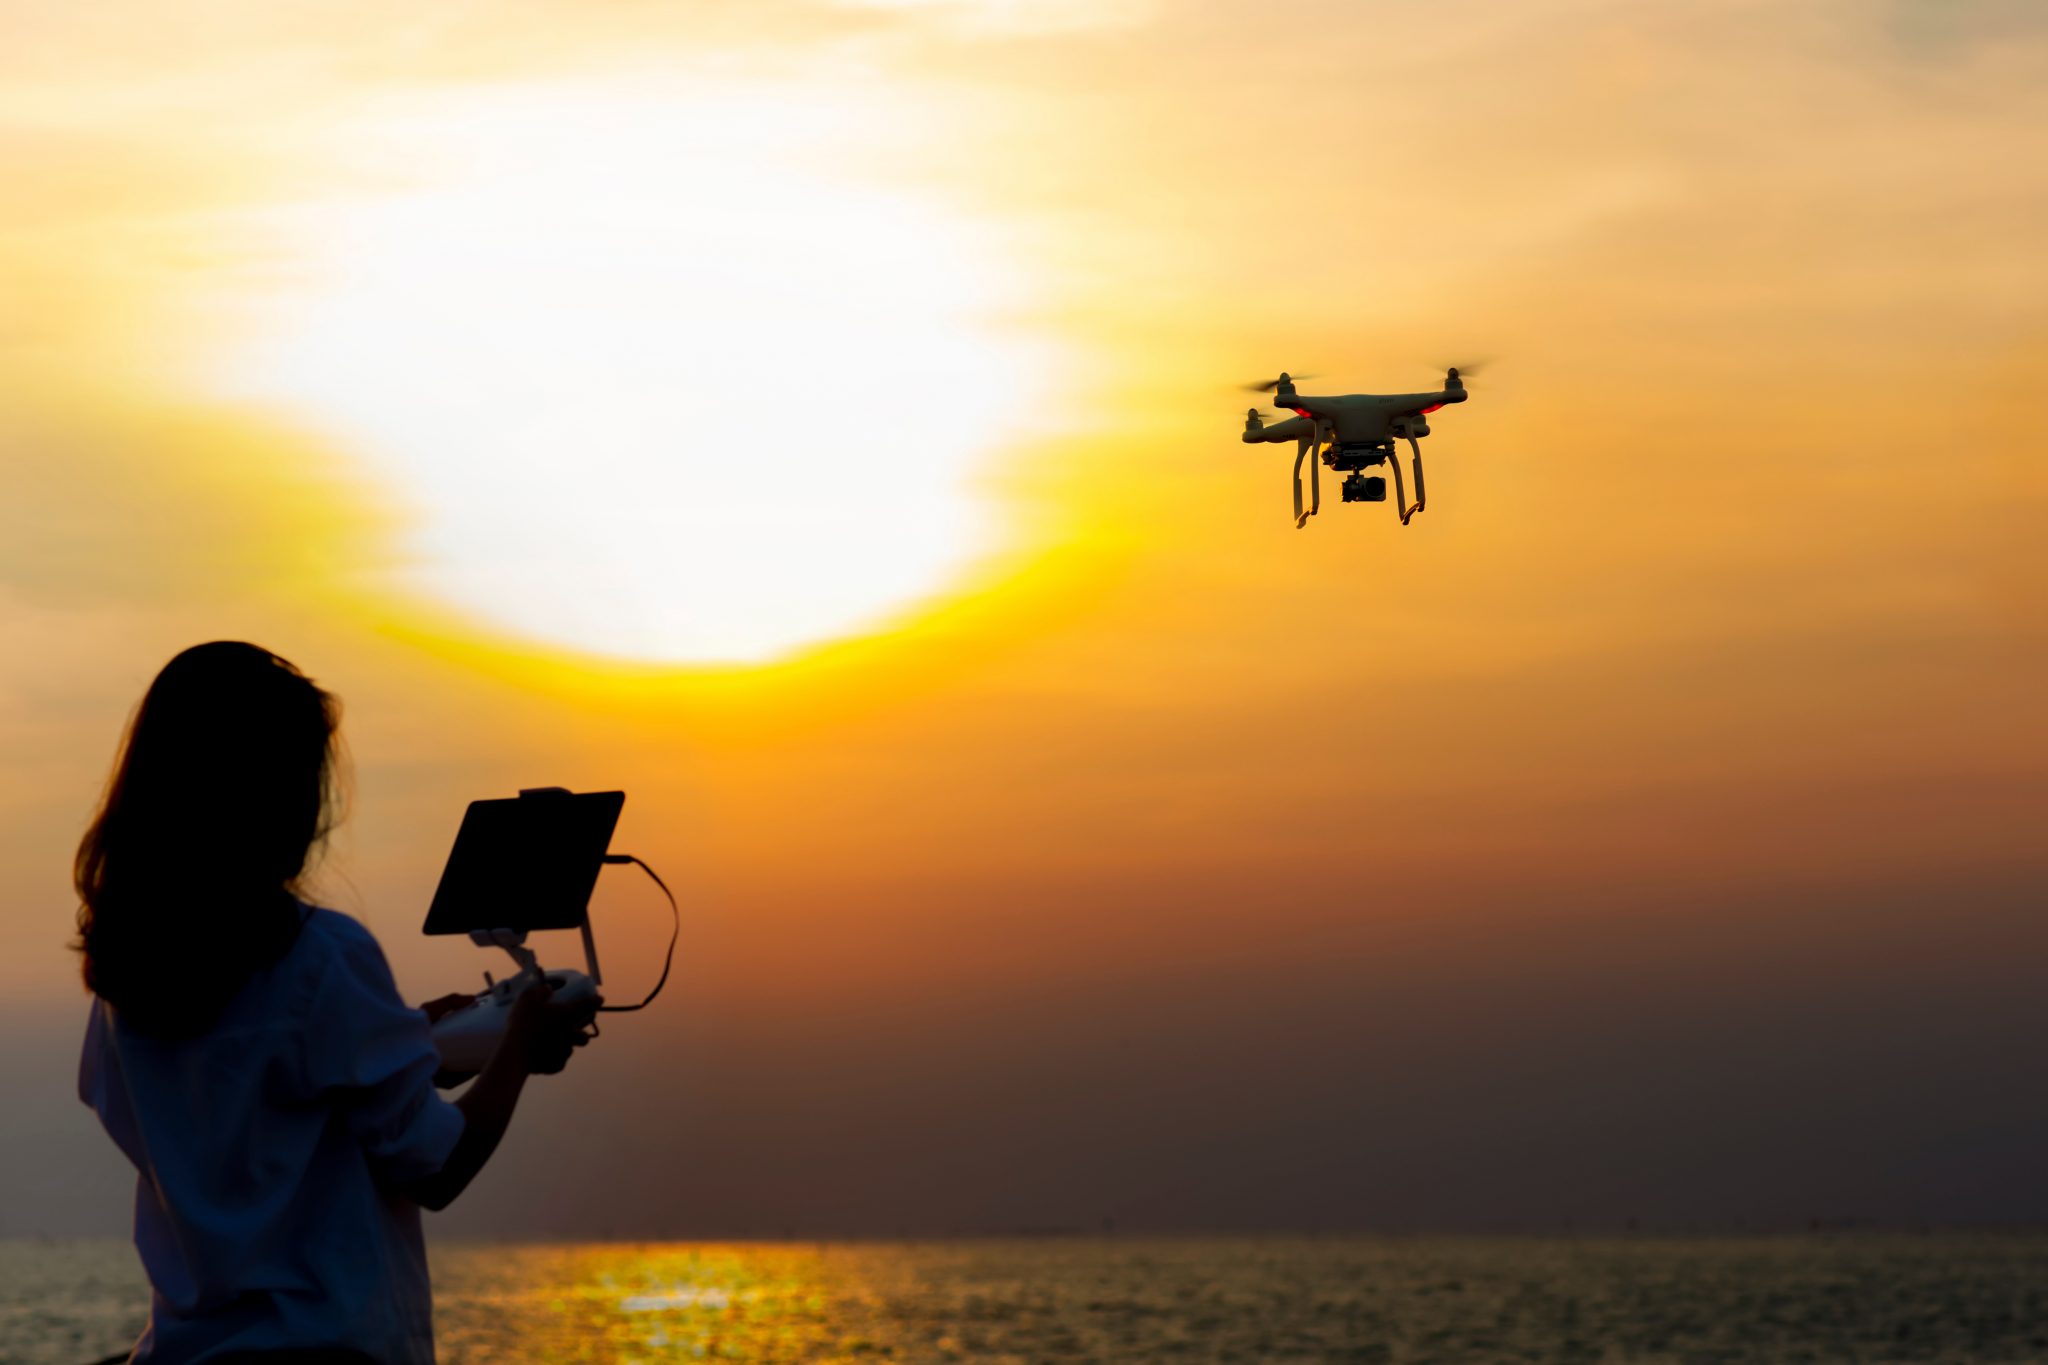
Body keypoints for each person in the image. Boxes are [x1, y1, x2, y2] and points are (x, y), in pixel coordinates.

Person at [74, 641, 598, 1364]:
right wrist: (518, 1049)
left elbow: (251, 1105)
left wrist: (404, 1043)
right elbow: (438, 1167)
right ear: (273, 794)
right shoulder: (321, 955)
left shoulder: (123, 987)